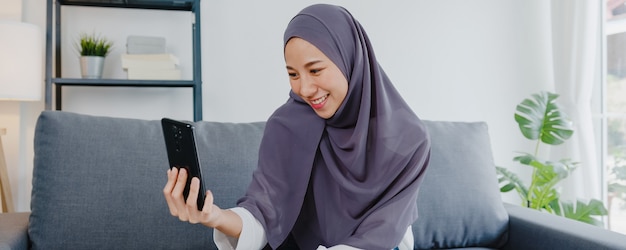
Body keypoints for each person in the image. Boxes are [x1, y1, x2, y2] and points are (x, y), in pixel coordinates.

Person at [163, 4, 431, 250]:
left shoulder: (408, 139)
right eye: (293, 74)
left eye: (315, 70)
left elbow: (383, 232)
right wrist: (215, 216)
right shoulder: (286, 126)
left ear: (350, 60)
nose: (304, 88)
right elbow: (264, 214)